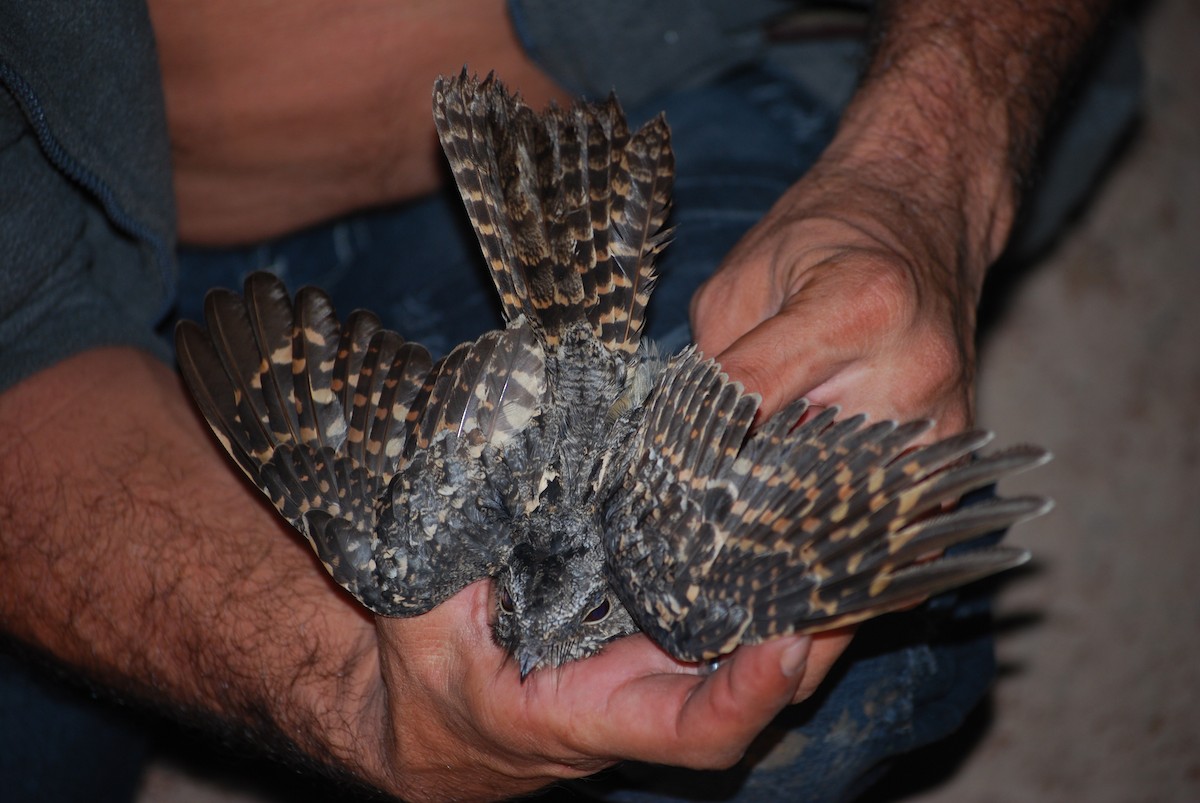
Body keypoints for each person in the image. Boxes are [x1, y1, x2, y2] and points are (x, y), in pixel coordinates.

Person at [0, 1, 1134, 801]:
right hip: (131, 251)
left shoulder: (660, 572)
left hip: (716, 79)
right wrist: (371, 706)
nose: (536, 638)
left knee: (828, 685)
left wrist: (921, 176)